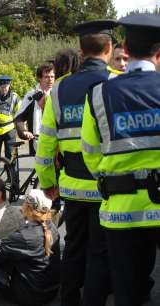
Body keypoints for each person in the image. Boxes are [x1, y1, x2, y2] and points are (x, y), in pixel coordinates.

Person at [35, 20, 119, 306]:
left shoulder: (58, 89)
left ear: (80, 52)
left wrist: (47, 182)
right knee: (99, 250)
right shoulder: (115, 82)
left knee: (72, 247)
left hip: (70, 184)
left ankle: (68, 300)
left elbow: (45, 142)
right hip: (106, 184)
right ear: (109, 48)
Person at [81, 13, 160, 306]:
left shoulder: (99, 94)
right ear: (159, 52)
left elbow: (90, 152)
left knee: (126, 292)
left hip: (120, 208)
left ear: (124, 47)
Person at [14, 63, 55, 154]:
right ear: (39, 78)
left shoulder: (58, 94)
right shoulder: (31, 96)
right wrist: (24, 131)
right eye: (47, 77)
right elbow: (19, 118)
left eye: (52, 76)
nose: (50, 80)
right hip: (37, 142)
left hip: (55, 142)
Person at [0, 76, 21, 164]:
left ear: (9, 85)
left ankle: (11, 176)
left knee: (10, 156)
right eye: (2, 87)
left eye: (6, 87)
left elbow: (20, 115)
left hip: (9, 130)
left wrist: (21, 129)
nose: (4, 89)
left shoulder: (15, 97)